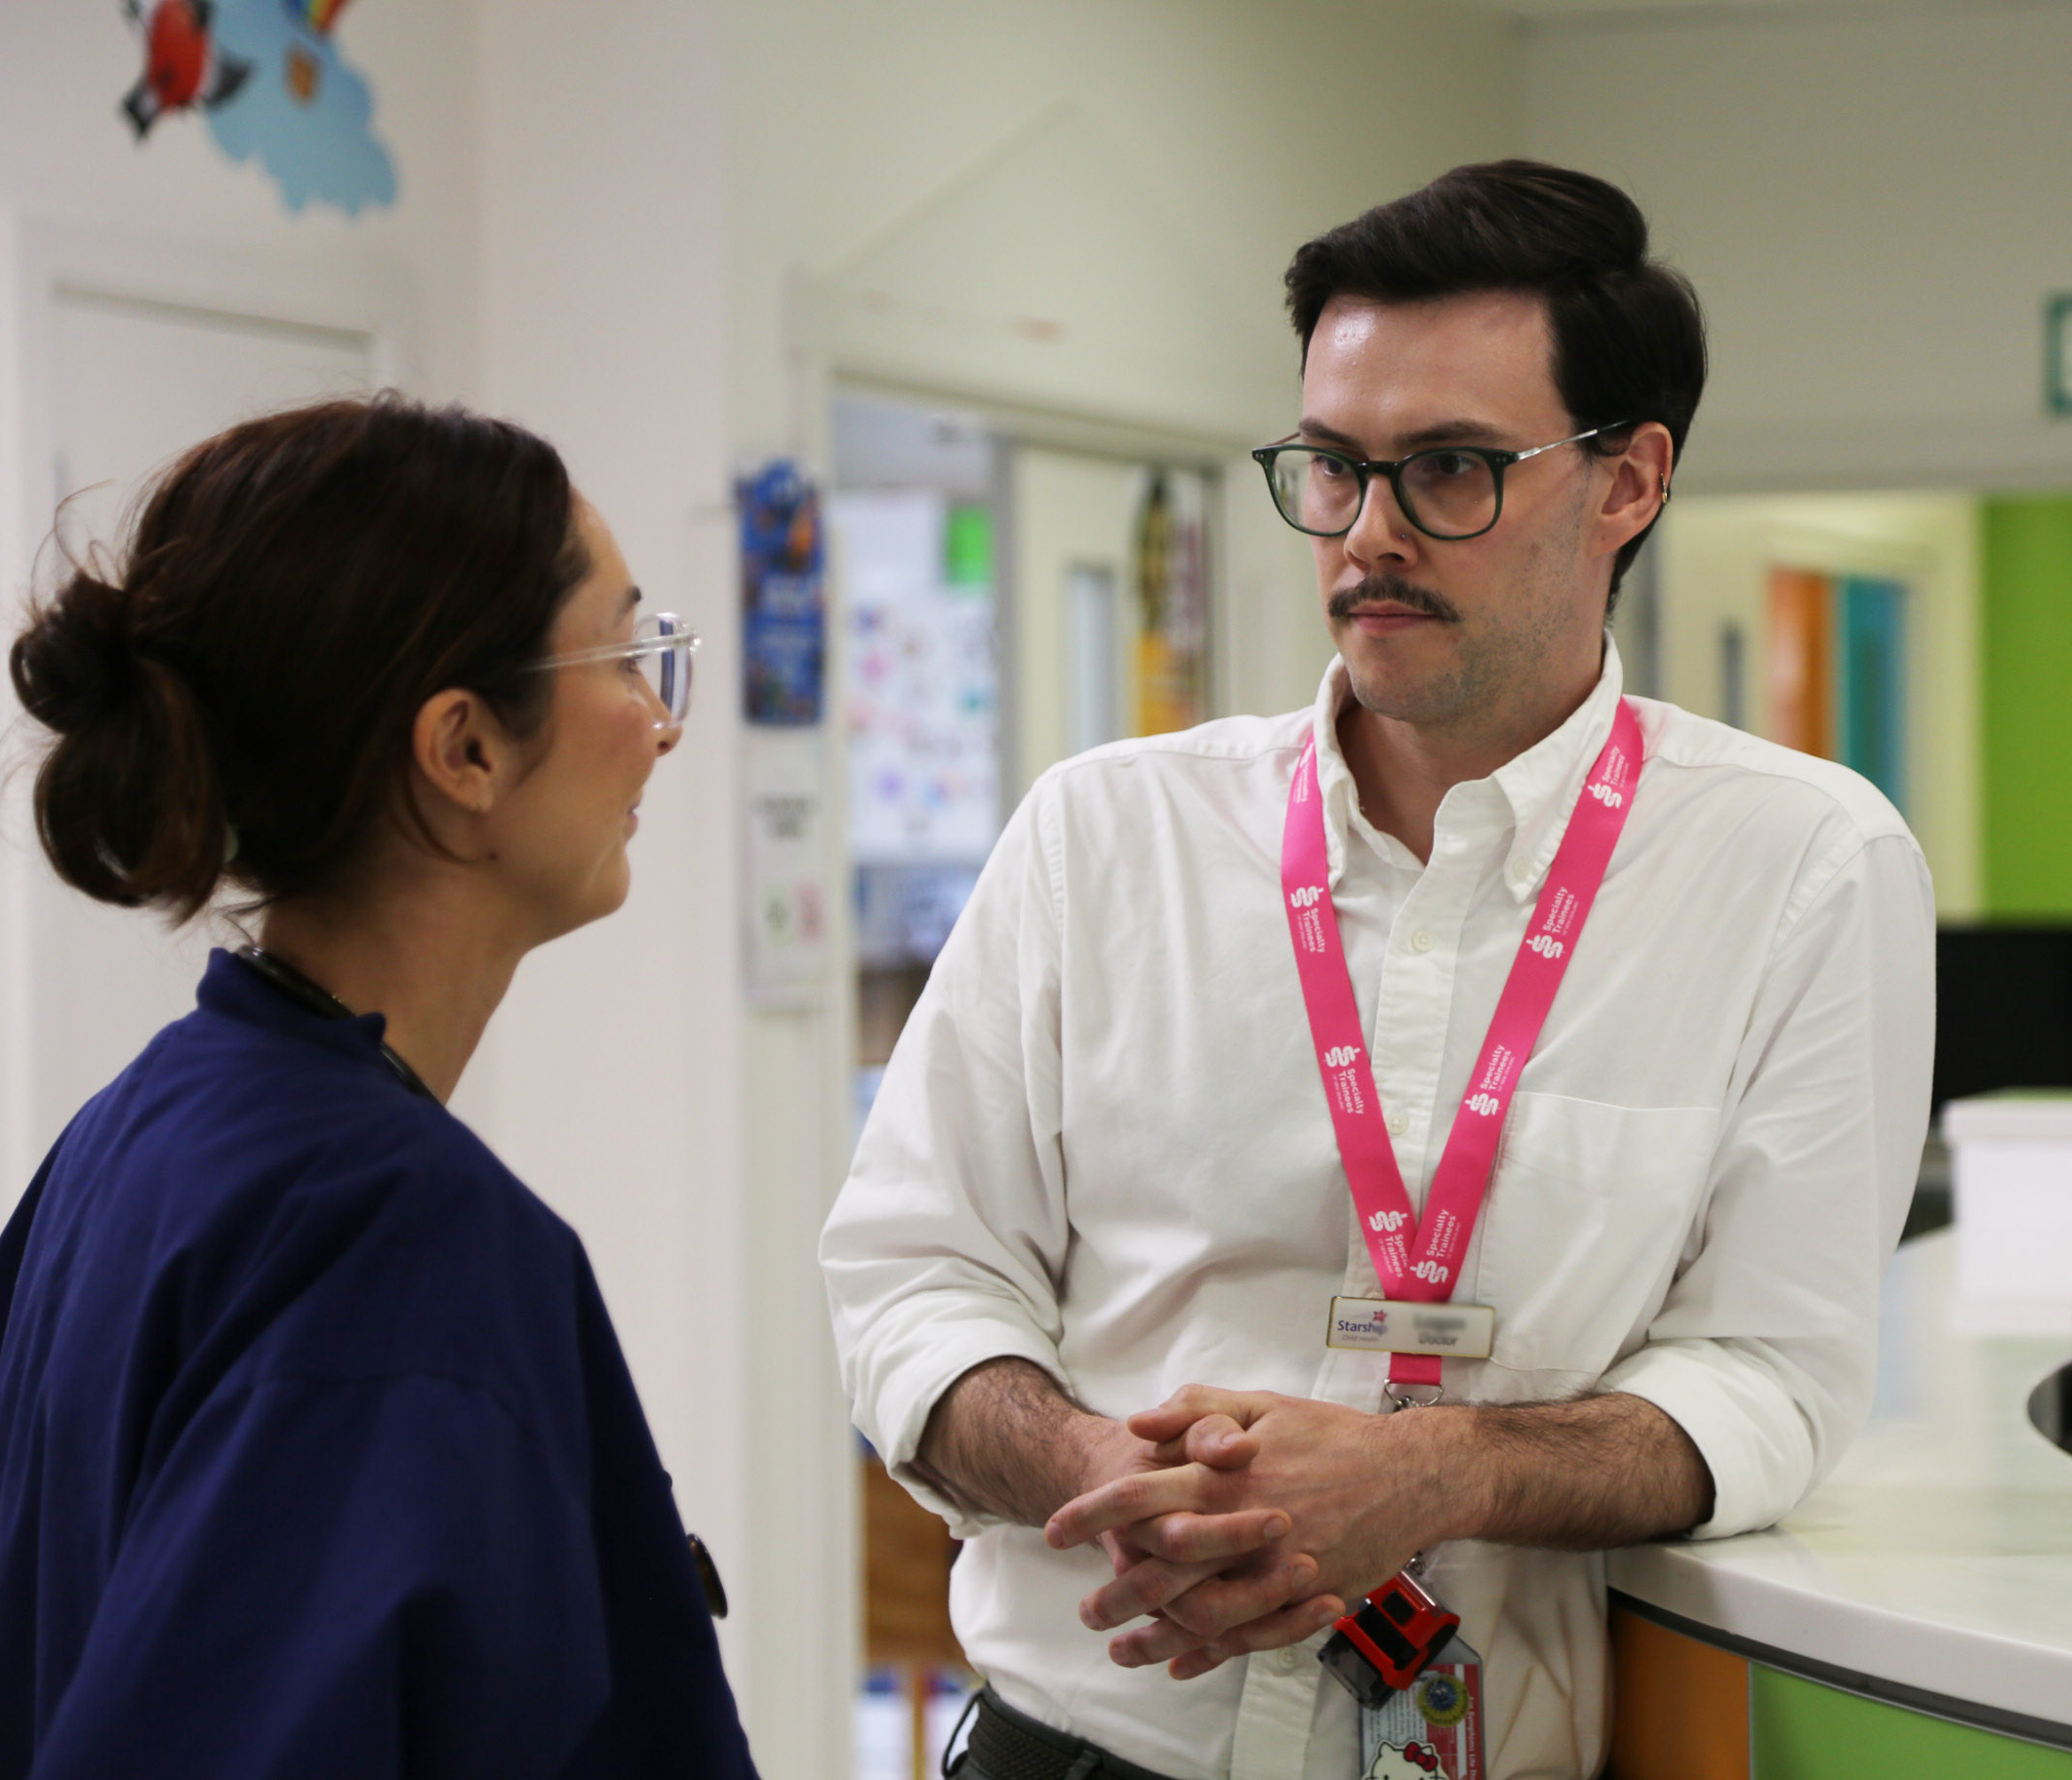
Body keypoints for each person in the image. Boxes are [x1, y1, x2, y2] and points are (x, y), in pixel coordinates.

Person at [823, 162, 1932, 1780]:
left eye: (1452, 470)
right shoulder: (1104, 835)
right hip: (1077, 1748)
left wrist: (1435, 1475)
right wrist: (1106, 1474)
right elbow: (911, 1279)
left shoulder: (1800, 867)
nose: (1369, 536)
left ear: (1628, 482)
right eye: (1334, 469)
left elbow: (1774, 1378)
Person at [0, 396, 754, 1779]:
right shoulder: (396, 1240)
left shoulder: (136, 1137)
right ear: (466, 750)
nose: (659, 725)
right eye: (628, 657)